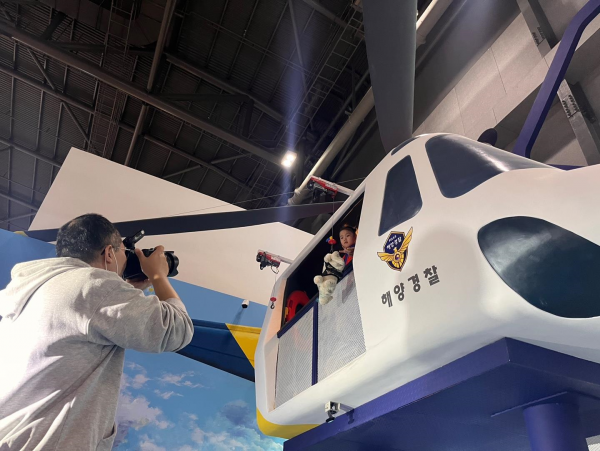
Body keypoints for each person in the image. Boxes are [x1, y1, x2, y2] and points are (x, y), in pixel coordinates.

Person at [0, 214, 194, 451]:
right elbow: (177, 330)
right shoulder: (93, 286)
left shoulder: (35, 288)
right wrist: (157, 275)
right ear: (109, 253)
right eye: (124, 252)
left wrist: (129, 291)